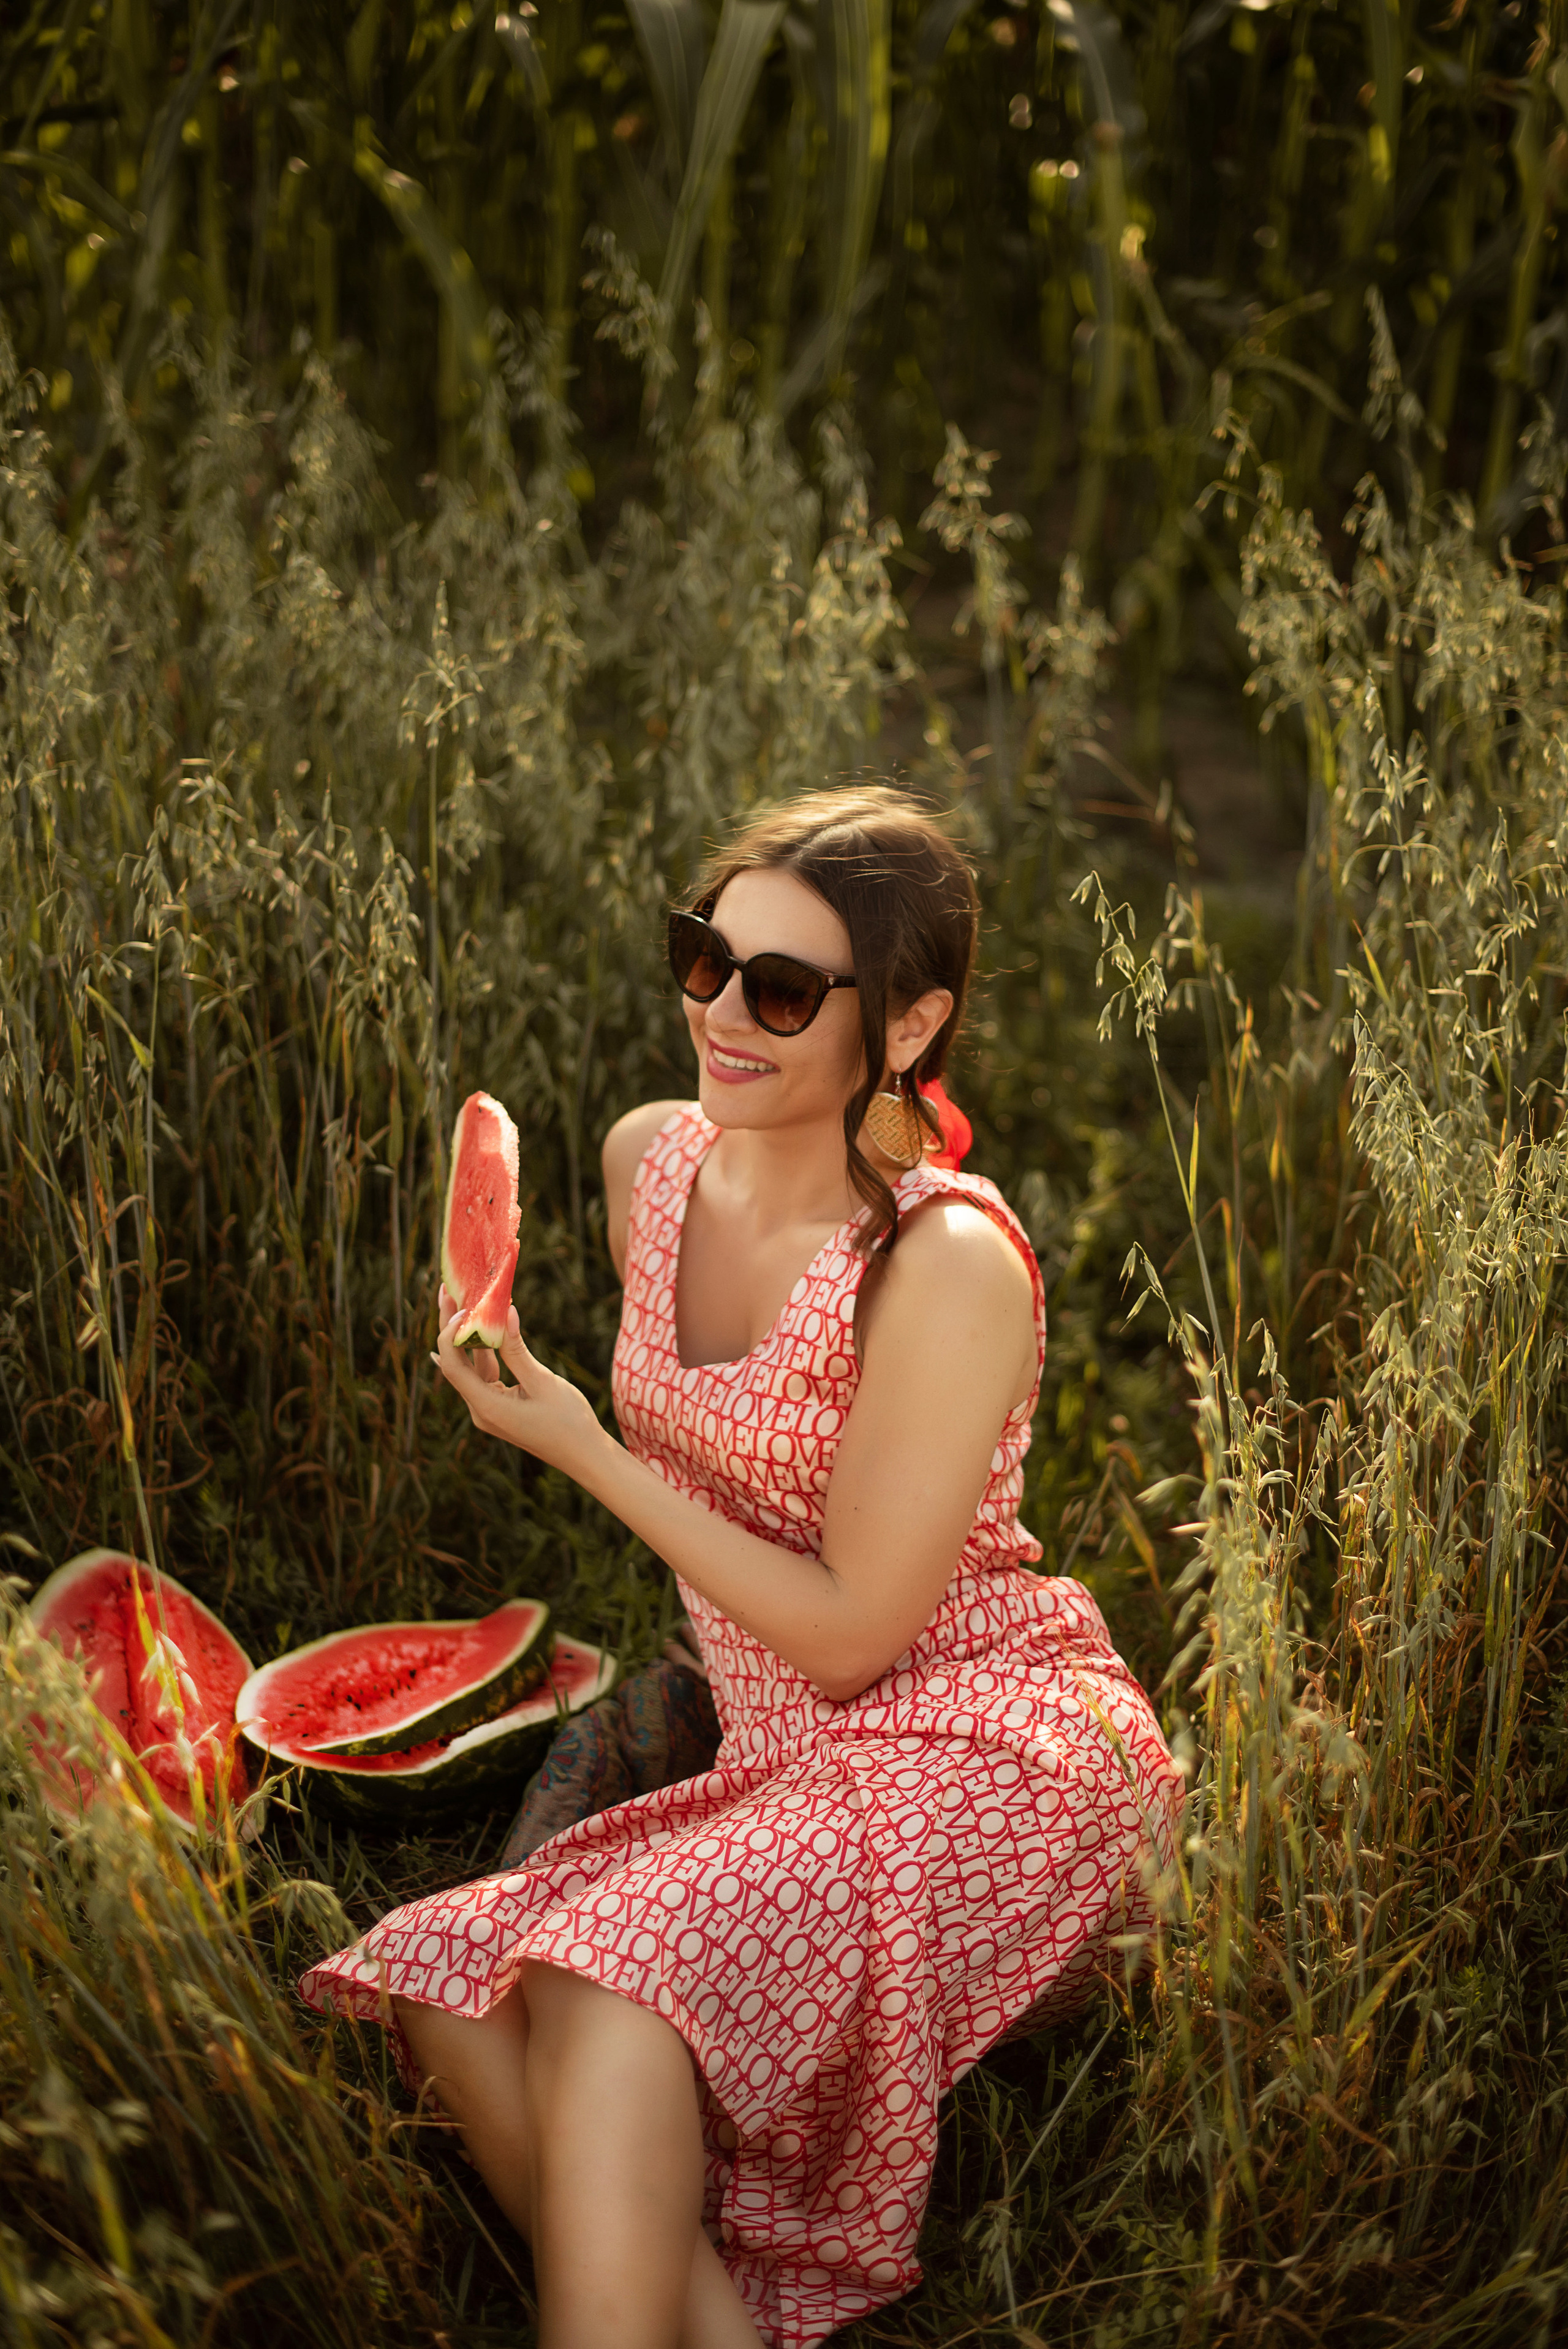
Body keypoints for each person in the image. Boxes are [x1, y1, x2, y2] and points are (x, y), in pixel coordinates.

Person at [299, 787, 1182, 2349]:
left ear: (907, 1024)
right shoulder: (652, 1161)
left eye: (783, 990)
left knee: (609, 1988)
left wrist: (583, 1448)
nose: (721, 1012)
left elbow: (851, 1637)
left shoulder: (941, 1262)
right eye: (703, 959)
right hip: (791, 1755)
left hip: (986, 1749)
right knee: (449, 1991)